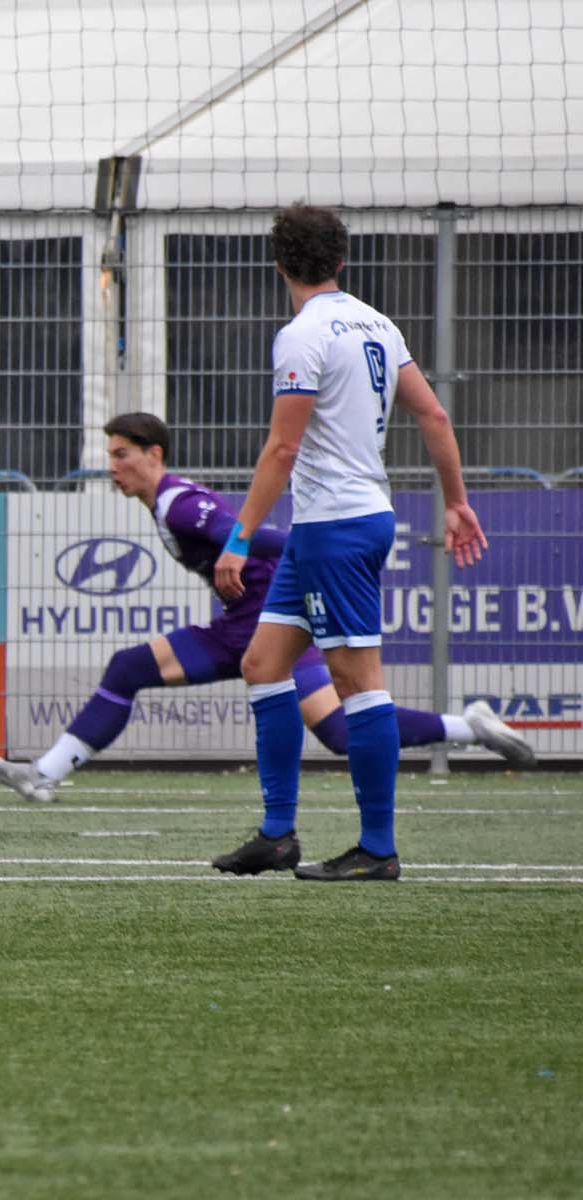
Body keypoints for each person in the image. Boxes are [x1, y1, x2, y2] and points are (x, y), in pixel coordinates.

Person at [0, 412, 532, 805]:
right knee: (131, 670)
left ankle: (466, 728)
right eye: (110, 456)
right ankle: (42, 775)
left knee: (337, 729)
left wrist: (306, 551)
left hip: (268, 624)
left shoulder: (178, 505)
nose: (112, 466)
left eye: (121, 454)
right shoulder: (169, 502)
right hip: (246, 625)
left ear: (154, 455)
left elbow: (245, 536)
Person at [212, 204, 488, 882]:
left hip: (335, 527)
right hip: (333, 525)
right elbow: (433, 413)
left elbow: (282, 448)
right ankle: (277, 835)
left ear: (279, 264)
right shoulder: (377, 323)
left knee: (357, 682)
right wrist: (456, 500)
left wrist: (239, 538)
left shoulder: (302, 335)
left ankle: (378, 849)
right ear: (340, 260)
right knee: (263, 664)